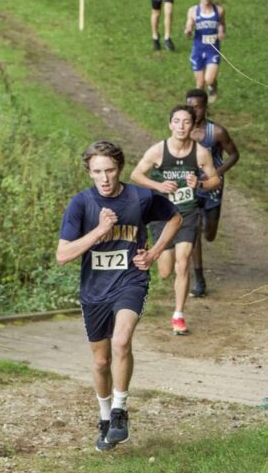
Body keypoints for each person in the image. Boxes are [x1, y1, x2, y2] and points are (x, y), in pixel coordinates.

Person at [57, 141, 180, 451]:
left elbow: (175, 217)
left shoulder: (140, 197)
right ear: (89, 172)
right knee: (100, 362)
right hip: (95, 289)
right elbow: (63, 255)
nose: (105, 178)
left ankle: (120, 412)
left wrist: (153, 252)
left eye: (110, 170)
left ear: (120, 168)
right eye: (97, 171)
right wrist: (99, 231)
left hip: (130, 281)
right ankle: (104, 419)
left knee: (122, 340)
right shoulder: (81, 204)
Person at [128, 106, 221, 335]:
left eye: (186, 122)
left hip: (188, 213)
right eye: (177, 121)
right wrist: (158, 185)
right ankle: (155, 258)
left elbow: (215, 180)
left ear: (192, 125)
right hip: (163, 214)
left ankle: (178, 315)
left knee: (183, 262)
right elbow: (135, 174)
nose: (181, 126)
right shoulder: (158, 151)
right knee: (165, 270)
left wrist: (199, 184)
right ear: (170, 125)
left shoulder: (200, 153)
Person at [185, 88, 240, 297]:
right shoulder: (183, 131)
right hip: (191, 186)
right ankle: (200, 280)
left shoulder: (216, 132)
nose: (193, 111)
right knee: (194, 229)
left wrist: (217, 173)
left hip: (213, 186)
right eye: (189, 107)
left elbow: (234, 154)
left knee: (209, 233)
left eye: (197, 107)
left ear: (205, 108)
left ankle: (208, 229)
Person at [184, 0, 226, 102]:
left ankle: (213, 86)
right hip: (198, 50)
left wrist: (221, 31)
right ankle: (201, 108)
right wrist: (188, 30)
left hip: (212, 49)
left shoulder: (219, 10)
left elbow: (222, 24)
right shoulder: (193, 11)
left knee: (209, 79)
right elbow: (189, 24)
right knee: (200, 83)